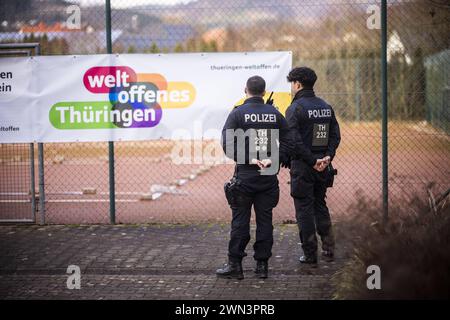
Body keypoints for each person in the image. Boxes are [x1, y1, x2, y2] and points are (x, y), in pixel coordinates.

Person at [216, 75, 291, 279]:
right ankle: (262, 267)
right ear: (264, 92)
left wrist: (249, 159)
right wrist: (273, 159)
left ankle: (235, 266)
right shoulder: (275, 113)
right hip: (268, 176)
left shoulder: (237, 113)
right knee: (265, 221)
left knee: (240, 221)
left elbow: (228, 145)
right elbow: (289, 141)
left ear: (245, 90)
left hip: (245, 177)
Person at [284, 67, 341, 264]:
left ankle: (310, 254)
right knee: (320, 205)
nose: (292, 87)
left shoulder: (295, 108)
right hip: (323, 167)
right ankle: (329, 247)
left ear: (297, 84)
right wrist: (327, 157)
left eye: (292, 84)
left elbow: (293, 141)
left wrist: (312, 160)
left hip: (303, 167)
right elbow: (335, 135)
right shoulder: (326, 106)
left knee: (304, 210)